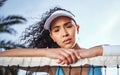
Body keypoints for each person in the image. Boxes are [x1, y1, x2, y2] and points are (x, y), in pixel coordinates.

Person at [0, 7, 120, 75]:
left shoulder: (98, 53)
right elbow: (3, 57)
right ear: (52, 36)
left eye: (68, 26)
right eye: (57, 30)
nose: (64, 33)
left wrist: (92, 52)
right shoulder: (51, 64)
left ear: (77, 29)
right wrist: (46, 53)